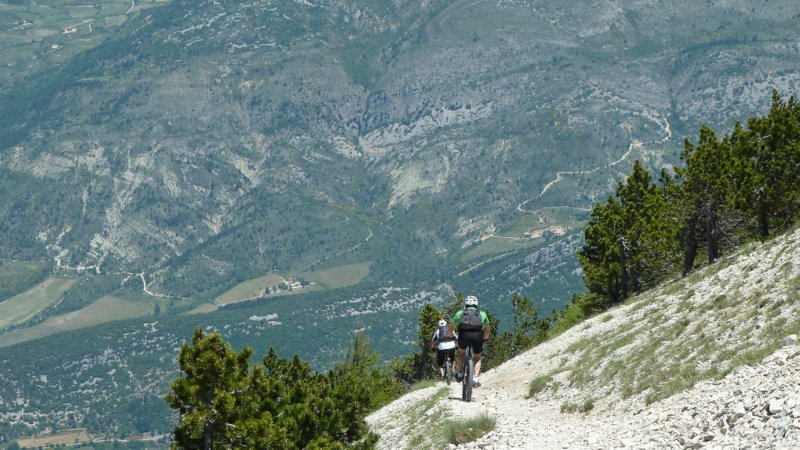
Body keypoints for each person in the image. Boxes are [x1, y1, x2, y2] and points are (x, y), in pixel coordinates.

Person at [453, 295, 490, 387]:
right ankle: (476, 378)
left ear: (465, 304)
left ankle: (461, 373)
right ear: (476, 304)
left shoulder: (460, 313)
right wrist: (485, 338)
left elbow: (452, 327)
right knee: (477, 357)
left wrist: (451, 336)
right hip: (477, 336)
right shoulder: (482, 314)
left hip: (464, 336)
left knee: (461, 353)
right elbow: (488, 329)